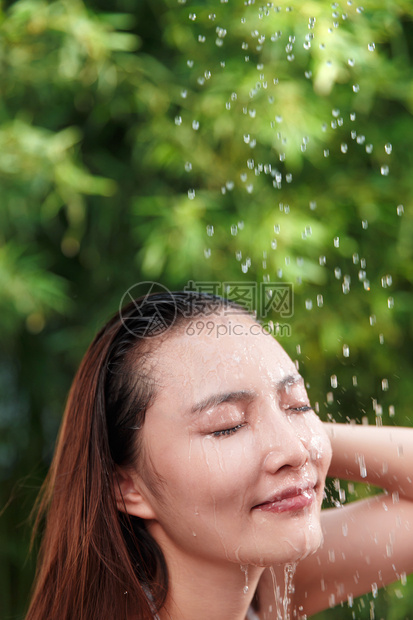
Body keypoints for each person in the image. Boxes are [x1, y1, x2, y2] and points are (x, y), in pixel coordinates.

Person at [25, 291, 413, 620]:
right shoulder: (275, 588)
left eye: (298, 404)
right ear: (128, 486)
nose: (294, 451)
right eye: (226, 426)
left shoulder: (266, 587)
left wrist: (298, 436)